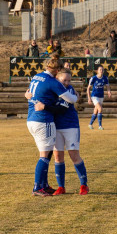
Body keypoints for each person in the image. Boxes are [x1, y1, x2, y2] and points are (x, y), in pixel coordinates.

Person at [26, 54, 78, 197]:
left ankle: (44, 184)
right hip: (43, 120)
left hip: (31, 119)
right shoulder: (52, 82)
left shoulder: (36, 77)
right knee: (45, 155)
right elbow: (71, 99)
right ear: (57, 69)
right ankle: (37, 187)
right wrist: (76, 96)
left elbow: (28, 93)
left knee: (46, 153)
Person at [34, 69, 89, 196]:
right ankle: (61, 187)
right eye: (64, 80)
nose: (67, 83)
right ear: (57, 79)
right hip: (56, 127)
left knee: (73, 155)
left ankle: (84, 185)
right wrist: (29, 96)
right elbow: (39, 94)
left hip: (70, 126)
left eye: (69, 80)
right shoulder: (52, 88)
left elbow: (61, 109)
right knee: (58, 156)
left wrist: (45, 107)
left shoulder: (68, 90)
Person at [87, 66, 111, 130]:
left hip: (101, 96)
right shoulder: (93, 78)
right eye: (100, 69)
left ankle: (90, 124)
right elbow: (88, 88)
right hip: (94, 96)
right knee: (100, 108)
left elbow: (108, 86)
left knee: (96, 110)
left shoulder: (105, 78)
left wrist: (109, 92)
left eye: (102, 70)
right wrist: (89, 98)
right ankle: (100, 126)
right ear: (97, 71)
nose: (101, 71)